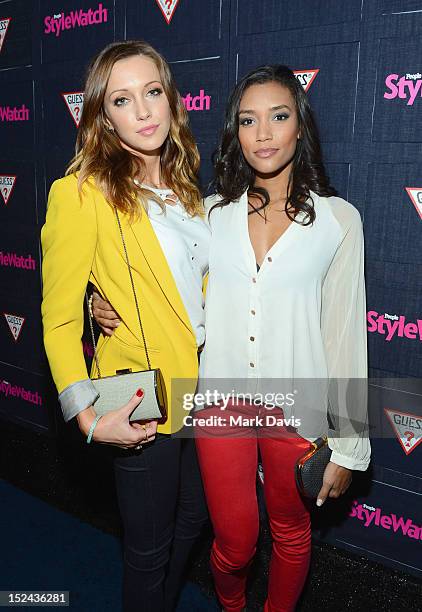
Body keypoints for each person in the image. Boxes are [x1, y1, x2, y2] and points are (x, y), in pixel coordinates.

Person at [93, 64, 371, 612]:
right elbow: (154, 278)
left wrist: (349, 446)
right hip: (221, 405)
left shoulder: (339, 220)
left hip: (300, 407)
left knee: (291, 534)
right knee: (236, 542)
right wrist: (102, 301)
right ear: (234, 132)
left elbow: (345, 335)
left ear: (300, 126)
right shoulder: (208, 214)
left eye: (279, 116)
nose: (263, 134)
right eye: (249, 120)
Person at [41, 40, 210, 612]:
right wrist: (87, 419)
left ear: (170, 99)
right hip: (138, 399)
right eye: (122, 99)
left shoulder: (192, 196)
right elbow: (59, 318)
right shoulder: (81, 194)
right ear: (102, 115)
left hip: (202, 391)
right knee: (146, 550)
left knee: (193, 518)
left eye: (152, 92)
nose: (142, 111)